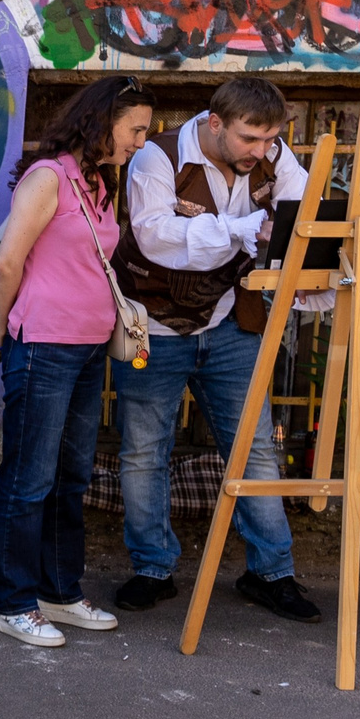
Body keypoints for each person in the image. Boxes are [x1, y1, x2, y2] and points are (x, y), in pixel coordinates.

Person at [109, 77, 321, 622]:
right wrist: (238, 227)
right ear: (215, 123)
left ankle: (271, 572)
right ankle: (152, 568)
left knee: (255, 449)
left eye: (269, 139)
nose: (260, 150)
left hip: (232, 322)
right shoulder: (155, 158)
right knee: (142, 452)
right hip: (152, 326)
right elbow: (156, 238)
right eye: (250, 138)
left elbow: (300, 218)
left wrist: (272, 233)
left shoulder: (273, 155)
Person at [0, 78, 156, 647]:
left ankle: (58, 590)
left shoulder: (99, 183)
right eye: (136, 129)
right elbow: (8, 263)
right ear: (103, 120)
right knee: (29, 478)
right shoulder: (48, 176)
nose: (140, 141)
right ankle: (10, 602)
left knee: (71, 475)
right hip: (44, 344)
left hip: (87, 348)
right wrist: (1, 328)